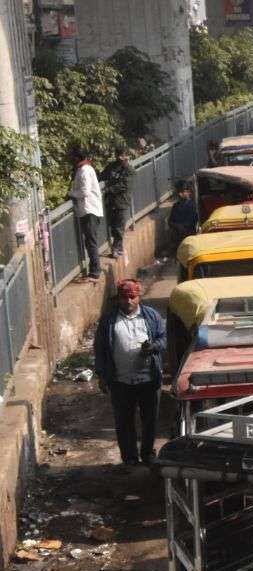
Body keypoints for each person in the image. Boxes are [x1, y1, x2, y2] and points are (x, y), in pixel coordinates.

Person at [94, 279, 166, 466]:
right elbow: (100, 348)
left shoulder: (151, 317)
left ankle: (148, 454)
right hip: (120, 381)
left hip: (148, 379)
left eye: (132, 297)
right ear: (118, 299)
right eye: (124, 298)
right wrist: (101, 375)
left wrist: (153, 347)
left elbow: (163, 338)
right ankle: (130, 458)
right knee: (124, 422)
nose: (128, 301)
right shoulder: (109, 320)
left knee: (149, 420)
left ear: (138, 297)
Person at [68, 149, 104, 282]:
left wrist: (70, 194)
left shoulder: (84, 170)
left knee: (91, 242)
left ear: (77, 157)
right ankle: (94, 271)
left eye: (72, 157)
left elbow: (85, 191)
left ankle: (94, 273)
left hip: (90, 210)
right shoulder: (82, 169)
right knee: (90, 242)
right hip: (87, 210)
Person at [99, 147, 134, 257]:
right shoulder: (112, 166)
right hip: (110, 201)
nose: (120, 158)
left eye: (122, 156)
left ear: (127, 157)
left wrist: (109, 189)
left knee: (119, 226)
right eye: (118, 155)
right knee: (112, 225)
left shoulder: (129, 171)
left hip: (121, 202)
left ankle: (116, 248)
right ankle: (118, 246)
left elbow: (124, 185)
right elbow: (101, 176)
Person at [168, 179, 198, 247]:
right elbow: (170, 222)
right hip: (177, 235)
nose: (180, 194)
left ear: (188, 192)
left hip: (188, 237)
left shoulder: (192, 206)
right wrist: (177, 226)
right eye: (179, 192)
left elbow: (191, 223)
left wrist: (180, 226)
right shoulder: (175, 206)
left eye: (183, 192)